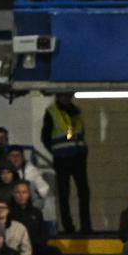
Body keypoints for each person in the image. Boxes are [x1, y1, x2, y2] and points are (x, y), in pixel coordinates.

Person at [41, 93, 91, 234]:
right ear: (58, 97)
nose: (67, 98)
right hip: (62, 158)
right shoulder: (52, 112)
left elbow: (81, 133)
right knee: (64, 193)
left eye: (68, 96)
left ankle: (86, 226)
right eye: (64, 96)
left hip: (78, 157)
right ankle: (68, 227)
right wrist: (56, 151)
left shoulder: (77, 112)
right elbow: (45, 136)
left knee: (84, 192)